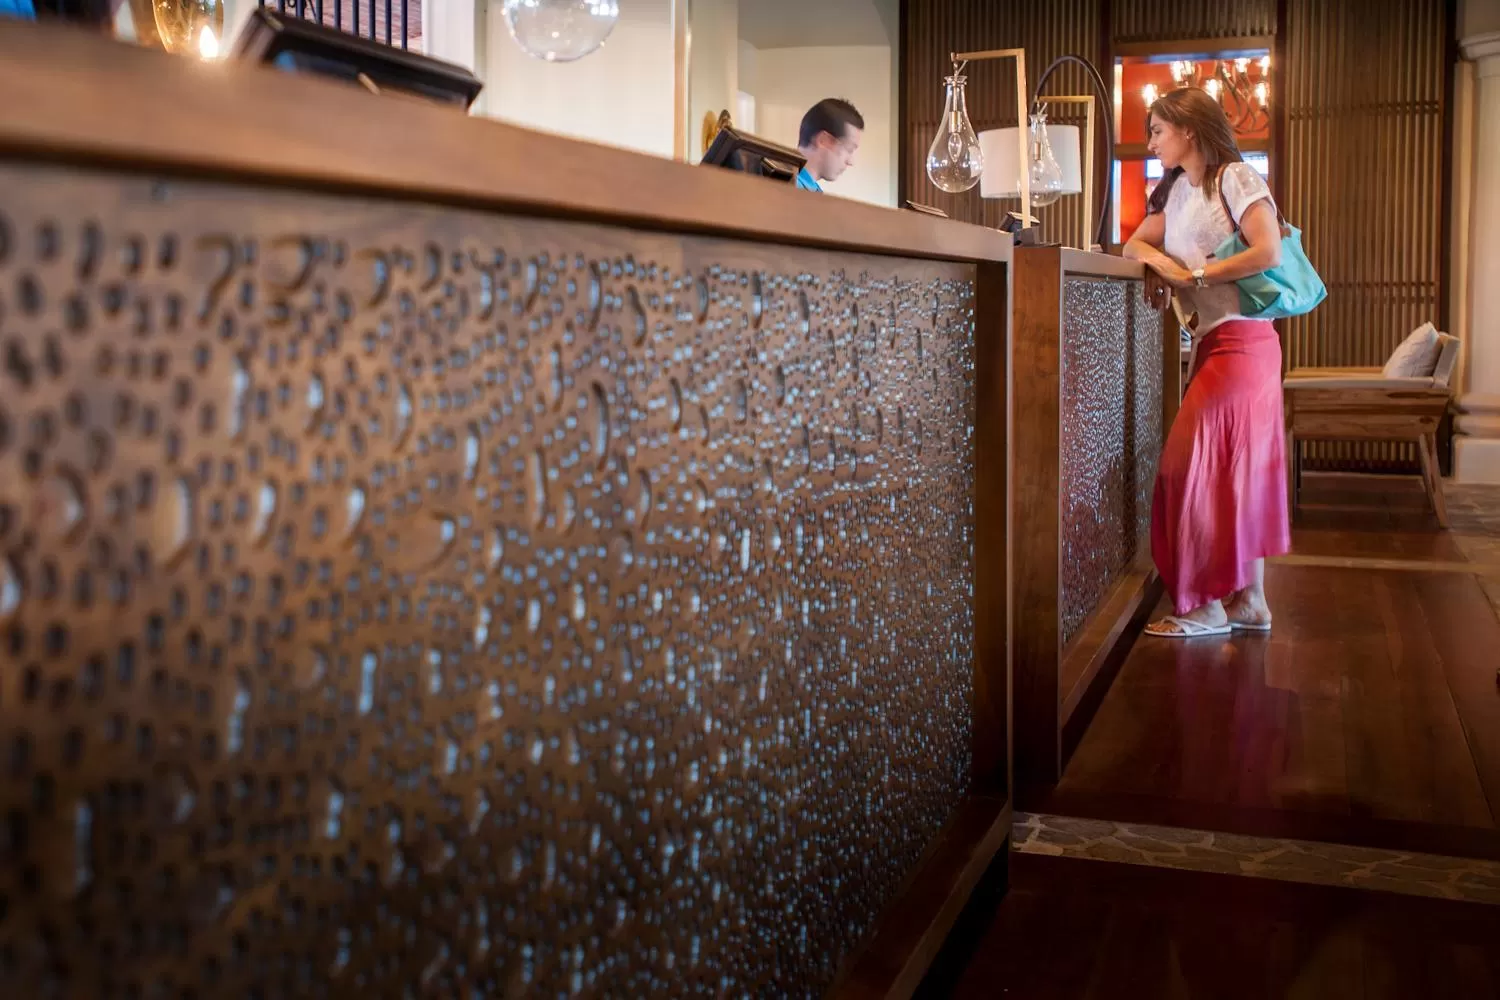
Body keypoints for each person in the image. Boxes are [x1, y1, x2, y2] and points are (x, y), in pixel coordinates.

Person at [1123, 87, 1290, 638]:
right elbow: (1132, 248)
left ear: (1189, 131)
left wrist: (1190, 276)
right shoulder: (1174, 193)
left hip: (1246, 343)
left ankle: (1204, 606)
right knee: (1232, 473)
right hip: (1213, 345)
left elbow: (1268, 251)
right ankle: (1251, 602)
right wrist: (1157, 264)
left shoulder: (1236, 180)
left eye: (1158, 131)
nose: (1151, 142)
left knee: (1182, 469)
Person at [794, 98, 863, 193]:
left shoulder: (814, 193)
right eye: (849, 149)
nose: (850, 161)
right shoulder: (785, 188)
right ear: (823, 140)